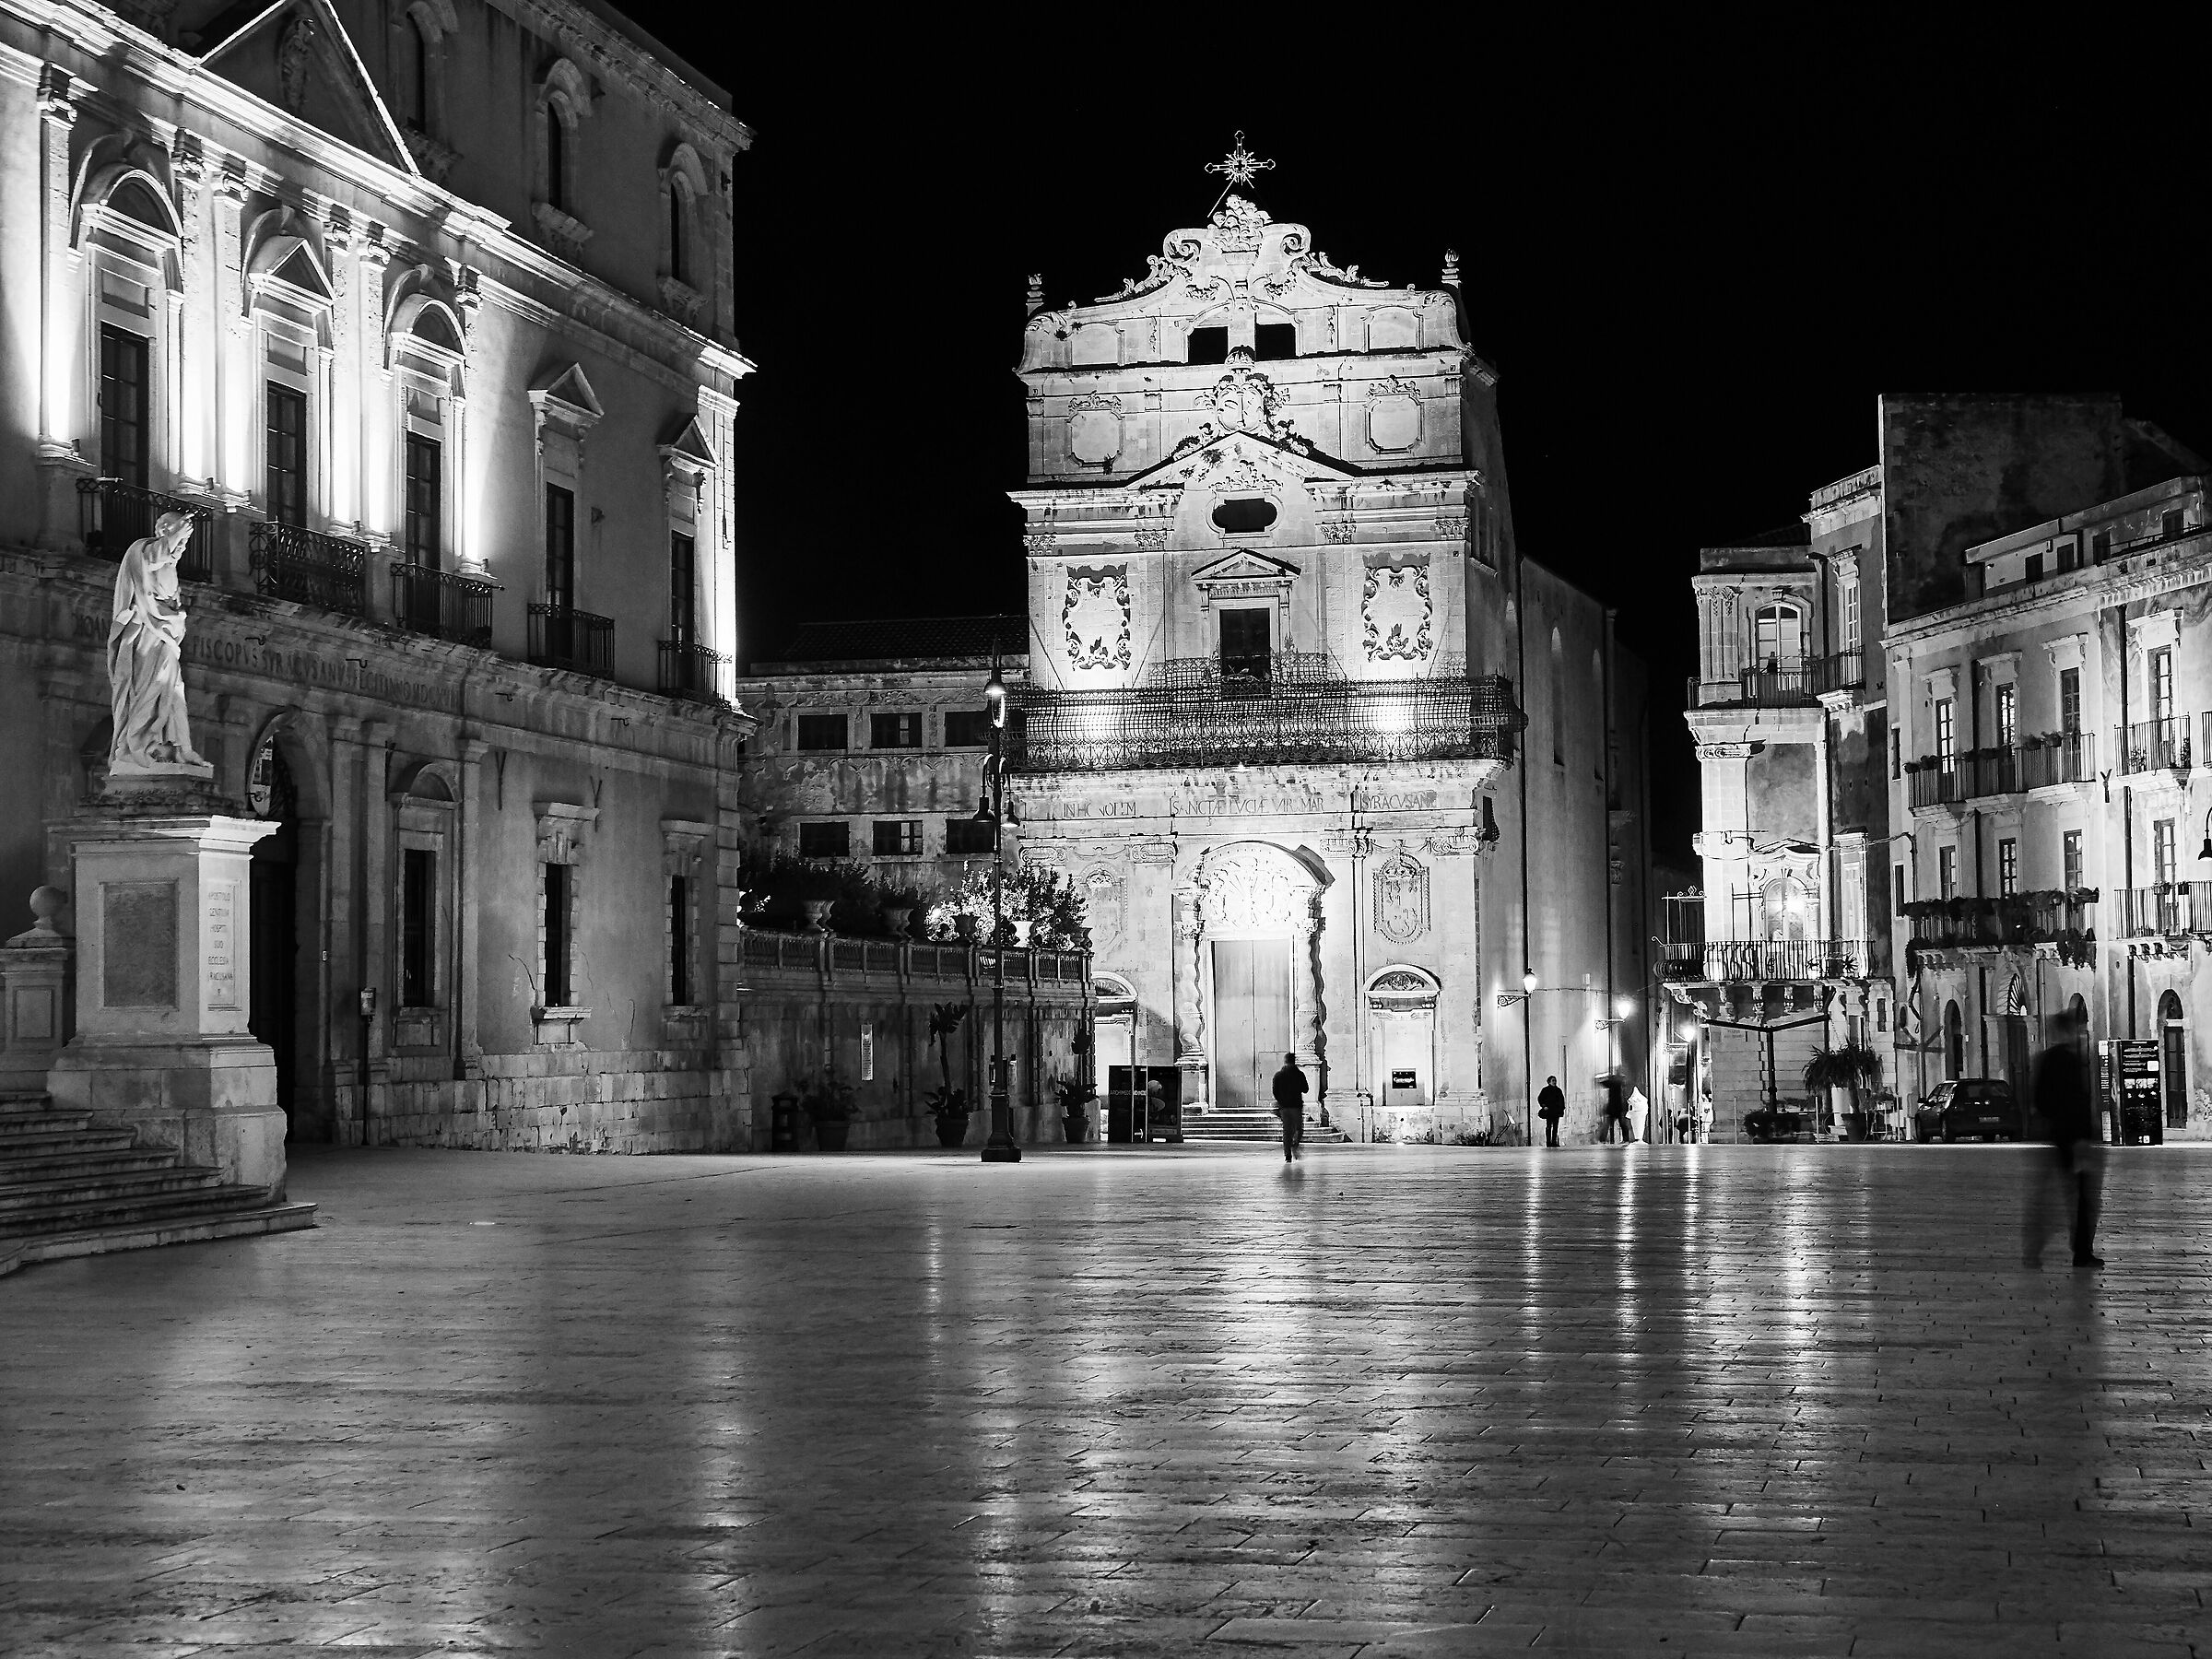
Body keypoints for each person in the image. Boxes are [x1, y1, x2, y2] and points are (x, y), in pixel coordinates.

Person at [2024, 1009, 2103, 1267]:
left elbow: (2038, 1100)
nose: (2079, 1034)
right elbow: (2074, 1101)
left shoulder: (2047, 1059)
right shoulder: (2068, 1060)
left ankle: (2035, 1250)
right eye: (2076, 1030)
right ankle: (2081, 1251)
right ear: (2068, 1031)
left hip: (2059, 1136)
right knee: (2082, 1196)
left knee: (2052, 1195)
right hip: (2075, 1140)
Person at [1271, 1053, 1307, 1162]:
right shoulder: (1299, 1074)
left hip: (1284, 1107)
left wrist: (1281, 1101)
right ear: (1294, 1061)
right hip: (1296, 1106)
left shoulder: (1278, 1075)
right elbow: (1305, 1089)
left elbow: (1275, 1092)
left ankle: (1287, 1155)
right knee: (1298, 1129)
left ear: (1285, 1061)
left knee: (1287, 1131)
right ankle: (1295, 1145)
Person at [1537, 1076, 1566, 1147]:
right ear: (1549, 1082)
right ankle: (1548, 1142)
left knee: (1555, 1127)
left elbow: (1562, 1100)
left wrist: (1561, 1109)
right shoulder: (1545, 1090)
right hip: (1549, 1111)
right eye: (1553, 1080)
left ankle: (1554, 1142)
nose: (1554, 1082)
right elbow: (1540, 1098)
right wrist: (1544, 1106)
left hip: (1556, 1111)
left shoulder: (1558, 1090)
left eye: (1555, 1080)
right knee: (1549, 1126)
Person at [1599, 1076, 1630, 1144]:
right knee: (1622, 1124)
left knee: (1608, 1124)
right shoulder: (1620, 1084)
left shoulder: (1614, 1084)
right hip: (1619, 1108)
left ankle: (1603, 1139)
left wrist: (1603, 1079)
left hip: (1614, 1108)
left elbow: (1605, 1083)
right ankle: (1626, 1139)